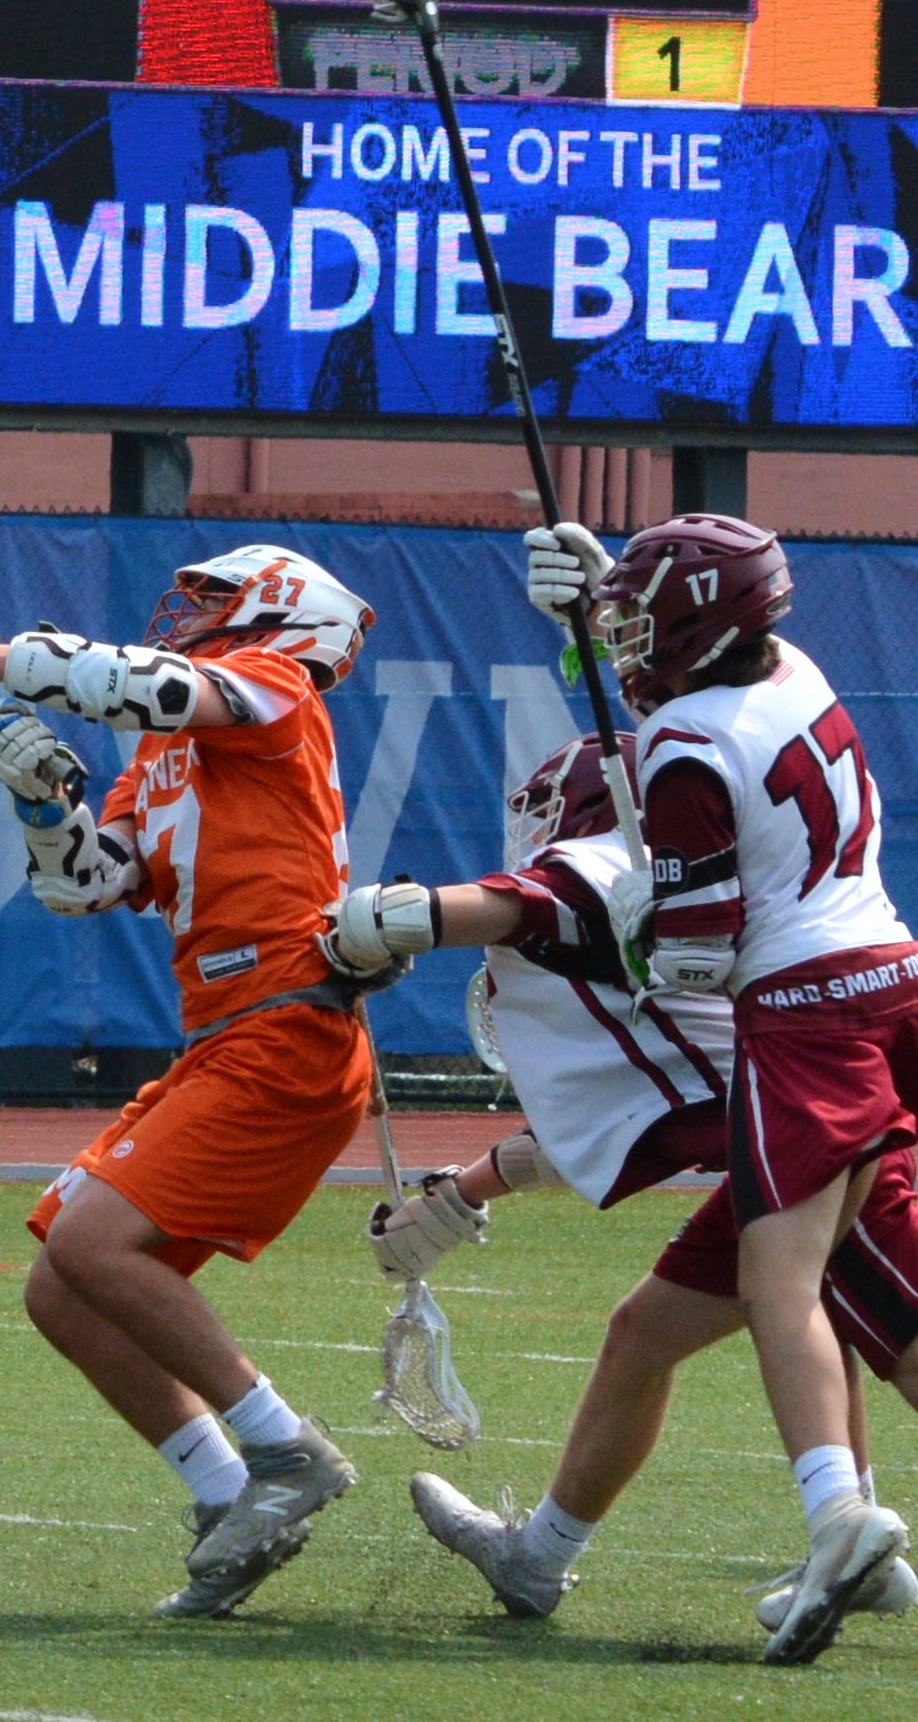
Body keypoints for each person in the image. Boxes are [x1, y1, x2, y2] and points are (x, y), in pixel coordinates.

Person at [0, 547, 380, 1618]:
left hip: (287, 1025)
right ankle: (227, 1498)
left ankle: (286, 1450)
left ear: (281, 614)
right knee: (61, 1284)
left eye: (216, 598)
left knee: (95, 1246)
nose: (189, 612)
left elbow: (150, 683)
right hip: (228, 1035)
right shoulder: (174, 752)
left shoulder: (274, 691)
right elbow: (88, 885)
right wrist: (41, 800)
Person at [322, 731, 918, 1635]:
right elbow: (643, 1116)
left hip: (837, 1129)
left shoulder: (611, 867)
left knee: (893, 1333)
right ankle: (540, 1559)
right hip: (792, 1131)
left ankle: (846, 1527)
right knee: (650, 1331)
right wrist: (465, 1191)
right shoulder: (682, 894)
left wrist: (397, 917)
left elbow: (526, 902)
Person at [518, 512, 915, 1662]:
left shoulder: (681, 743)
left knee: (780, 1277)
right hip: (893, 973)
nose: (623, 636)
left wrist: (615, 922)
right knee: (799, 1286)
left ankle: (839, 1518)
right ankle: (551, 1546)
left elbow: (692, 953)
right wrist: (594, 615)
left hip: (808, 1010)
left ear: (697, 622)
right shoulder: (797, 666)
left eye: (641, 617)